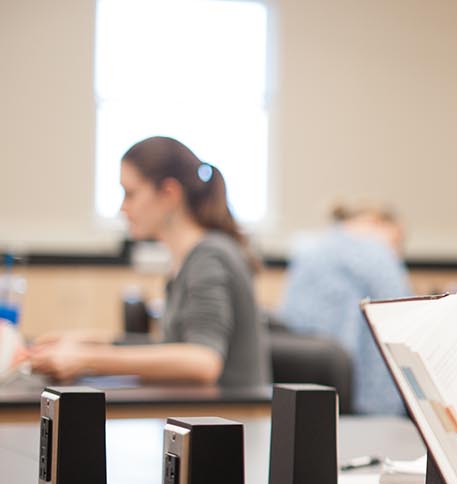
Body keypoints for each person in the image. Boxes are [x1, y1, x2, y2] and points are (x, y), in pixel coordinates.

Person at [29, 137, 269, 388]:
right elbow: (171, 348)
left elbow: (202, 360)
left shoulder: (209, 256)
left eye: (130, 194)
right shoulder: (189, 258)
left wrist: (87, 359)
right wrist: (84, 343)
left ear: (169, 194)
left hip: (230, 421)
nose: (123, 208)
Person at [278, 202, 410, 415]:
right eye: (399, 240)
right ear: (379, 223)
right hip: (365, 402)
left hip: (305, 388)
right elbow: (403, 319)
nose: (398, 252)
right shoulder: (377, 255)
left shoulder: (309, 251)